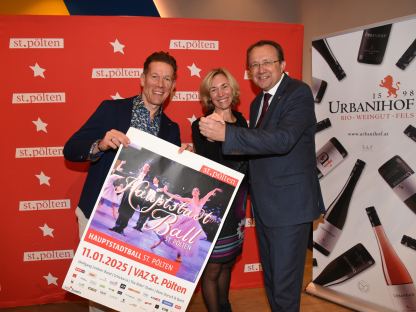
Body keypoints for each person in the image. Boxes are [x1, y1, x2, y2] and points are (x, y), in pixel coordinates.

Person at [199, 40, 325, 312]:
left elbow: (283, 140)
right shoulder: (258, 103)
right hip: (266, 207)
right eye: (254, 64)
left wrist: (227, 134)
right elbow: (256, 150)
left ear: (282, 65)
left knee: (284, 285)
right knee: (272, 281)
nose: (260, 69)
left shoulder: (298, 93)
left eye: (267, 62)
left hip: (289, 207)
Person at [63, 51, 181, 312]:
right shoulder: (112, 110)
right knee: (102, 297)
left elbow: (166, 181)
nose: (160, 84)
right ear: (142, 79)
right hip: (99, 214)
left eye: (167, 79)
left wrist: (184, 165)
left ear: (173, 86)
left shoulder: (172, 129)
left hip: (137, 222)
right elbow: (71, 149)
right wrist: (101, 144)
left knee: (136, 299)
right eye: (155, 76)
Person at [192, 68, 248, 312]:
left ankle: (225, 307)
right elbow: (212, 165)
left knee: (227, 262)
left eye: (224, 86)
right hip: (216, 206)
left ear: (232, 89)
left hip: (238, 204)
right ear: (208, 96)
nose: (220, 93)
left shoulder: (242, 121)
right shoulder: (202, 125)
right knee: (213, 267)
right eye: (213, 89)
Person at [147, 186, 222, 262]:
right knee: (170, 231)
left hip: (193, 223)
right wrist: (166, 192)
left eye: (196, 191)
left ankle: (179, 256)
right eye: (193, 191)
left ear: (199, 193)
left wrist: (215, 189)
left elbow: (208, 194)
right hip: (184, 219)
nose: (195, 192)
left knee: (184, 240)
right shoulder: (188, 200)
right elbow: (174, 197)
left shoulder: (202, 201)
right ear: (192, 193)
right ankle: (158, 242)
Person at [109, 162, 151, 235]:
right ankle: (116, 227)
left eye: (147, 167)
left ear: (148, 169)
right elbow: (126, 175)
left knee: (128, 214)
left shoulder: (148, 180)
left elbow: (146, 191)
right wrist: (116, 171)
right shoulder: (135, 174)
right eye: (145, 166)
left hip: (135, 198)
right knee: (122, 211)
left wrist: (140, 202)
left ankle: (121, 229)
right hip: (127, 194)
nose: (145, 167)